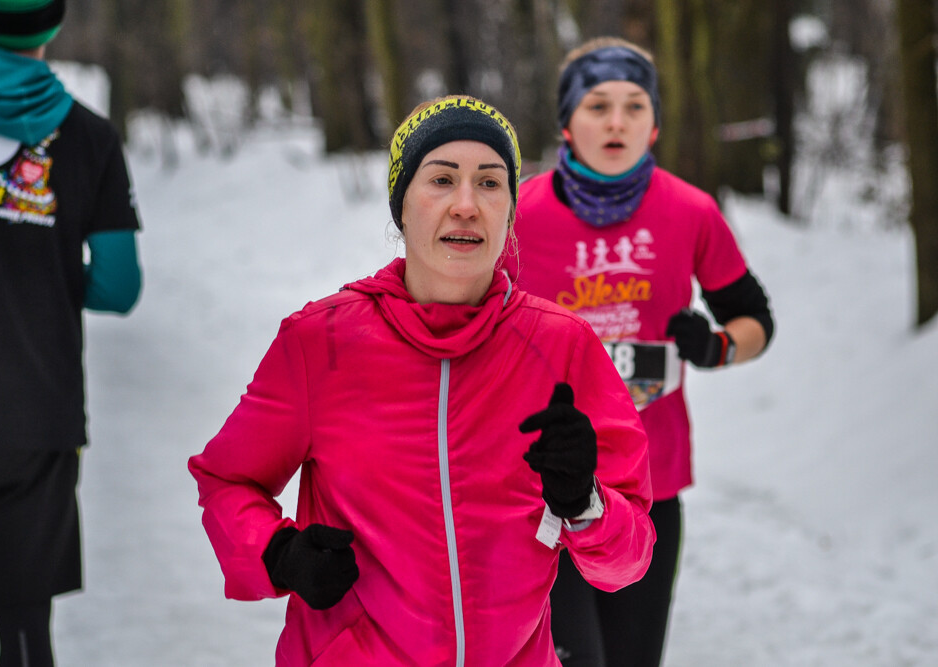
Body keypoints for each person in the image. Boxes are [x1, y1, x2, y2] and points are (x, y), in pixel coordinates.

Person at [188, 95, 656, 665]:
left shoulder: (562, 346)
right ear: (402, 205)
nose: (466, 205)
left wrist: (585, 504)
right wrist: (279, 552)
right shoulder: (322, 342)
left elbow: (627, 560)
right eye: (441, 179)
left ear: (510, 209)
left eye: (489, 183)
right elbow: (226, 481)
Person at [509, 37, 775, 667]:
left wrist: (716, 347)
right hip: (539, 485)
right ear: (567, 123)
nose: (617, 121)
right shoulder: (519, 212)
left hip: (649, 485)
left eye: (634, 106)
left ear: (654, 125)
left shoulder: (690, 211)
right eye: (598, 105)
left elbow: (754, 318)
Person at [0, 1, 143, 665]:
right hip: (36, 416)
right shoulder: (90, 138)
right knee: (26, 631)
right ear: (52, 28)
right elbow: (119, 285)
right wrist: (40, 270)